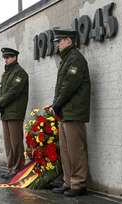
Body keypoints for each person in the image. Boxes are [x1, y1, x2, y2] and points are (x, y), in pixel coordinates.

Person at [49, 28, 91, 197]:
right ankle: (68, 182)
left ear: (68, 40)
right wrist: (57, 105)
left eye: (59, 41)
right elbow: (62, 87)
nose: (57, 45)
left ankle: (79, 183)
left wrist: (57, 104)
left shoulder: (75, 58)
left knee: (76, 150)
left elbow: (69, 86)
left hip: (74, 111)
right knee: (66, 150)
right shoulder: (66, 60)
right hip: (65, 111)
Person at [0, 47, 29, 179]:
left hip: (15, 112)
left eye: (8, 57)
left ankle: (18, 168)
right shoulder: (6, 74)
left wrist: (0, 103)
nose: (6, 59)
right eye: (4, 58)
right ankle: (11, 168)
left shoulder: (20, 73)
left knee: (16, 143)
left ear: (15, 57)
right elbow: (1, 91)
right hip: (5, 112)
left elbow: (13, 92)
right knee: (8, 143)